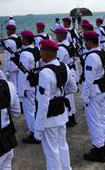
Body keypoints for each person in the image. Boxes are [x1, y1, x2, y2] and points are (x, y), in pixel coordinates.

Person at [34, 40, 77, 170]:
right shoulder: (64, 66)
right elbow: (73, 88)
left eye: (41, 51)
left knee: (52, 152)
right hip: (62, 113)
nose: (40, 54)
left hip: (50, 117)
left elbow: (43, 103)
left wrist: (38, 127)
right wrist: (59, 95)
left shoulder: (45, 72)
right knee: (62, 145)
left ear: (46, 54)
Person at [80, 32, 105, 163]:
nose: (84, 44)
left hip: (94, 92)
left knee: (94, 122)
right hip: (102, 89)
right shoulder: (102, 52)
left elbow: (88, 80)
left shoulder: (91, 57)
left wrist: (84, 97)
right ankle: (104, 149)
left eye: (85, 41)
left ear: (89, 42)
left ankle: (99, 151)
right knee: (103, 119)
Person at [18, 30, 41, 144]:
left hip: (28, 84)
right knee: (35, 107)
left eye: (22, 38)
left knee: (29, 110)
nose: (21, 40)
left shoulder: (24, 53)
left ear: (26, 39)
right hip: (35, 80)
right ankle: (38, 129)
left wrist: (20, 92)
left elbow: (22, 74)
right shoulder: (36, 49)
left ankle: (33, 133)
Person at [54, 27, 78, 127]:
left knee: (65, 95)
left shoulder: (60, 48)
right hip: (71, 70)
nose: (56, 36)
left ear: (61, 35)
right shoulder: (69, 44)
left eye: (57, 34)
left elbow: (59, 64)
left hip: (65, 72)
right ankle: (72, 115)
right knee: (70, 96)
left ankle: (69, 117)